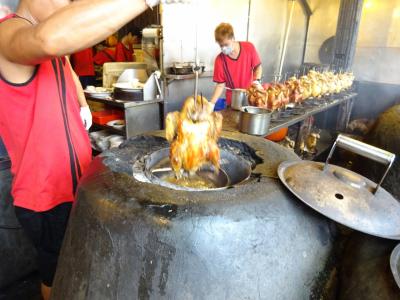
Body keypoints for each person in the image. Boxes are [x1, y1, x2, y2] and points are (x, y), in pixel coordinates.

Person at [0, 0, 167, 299]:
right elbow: (47, 40)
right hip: (46, 196)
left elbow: (70, 71)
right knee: (58, 272)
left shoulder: (55, 51)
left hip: (75, 181)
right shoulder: (9, 33)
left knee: (79, 261)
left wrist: (82, 103)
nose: (68, 4)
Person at [210, 23, 263, 107]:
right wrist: (211, 104)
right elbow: (220, 85)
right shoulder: (220, 60)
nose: (223, 48)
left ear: (233, 38)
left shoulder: (249, 48)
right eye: (221, 46)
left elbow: (258, 67)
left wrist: (257, 81)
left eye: (226, 44)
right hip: (232, 102)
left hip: (250, 98)